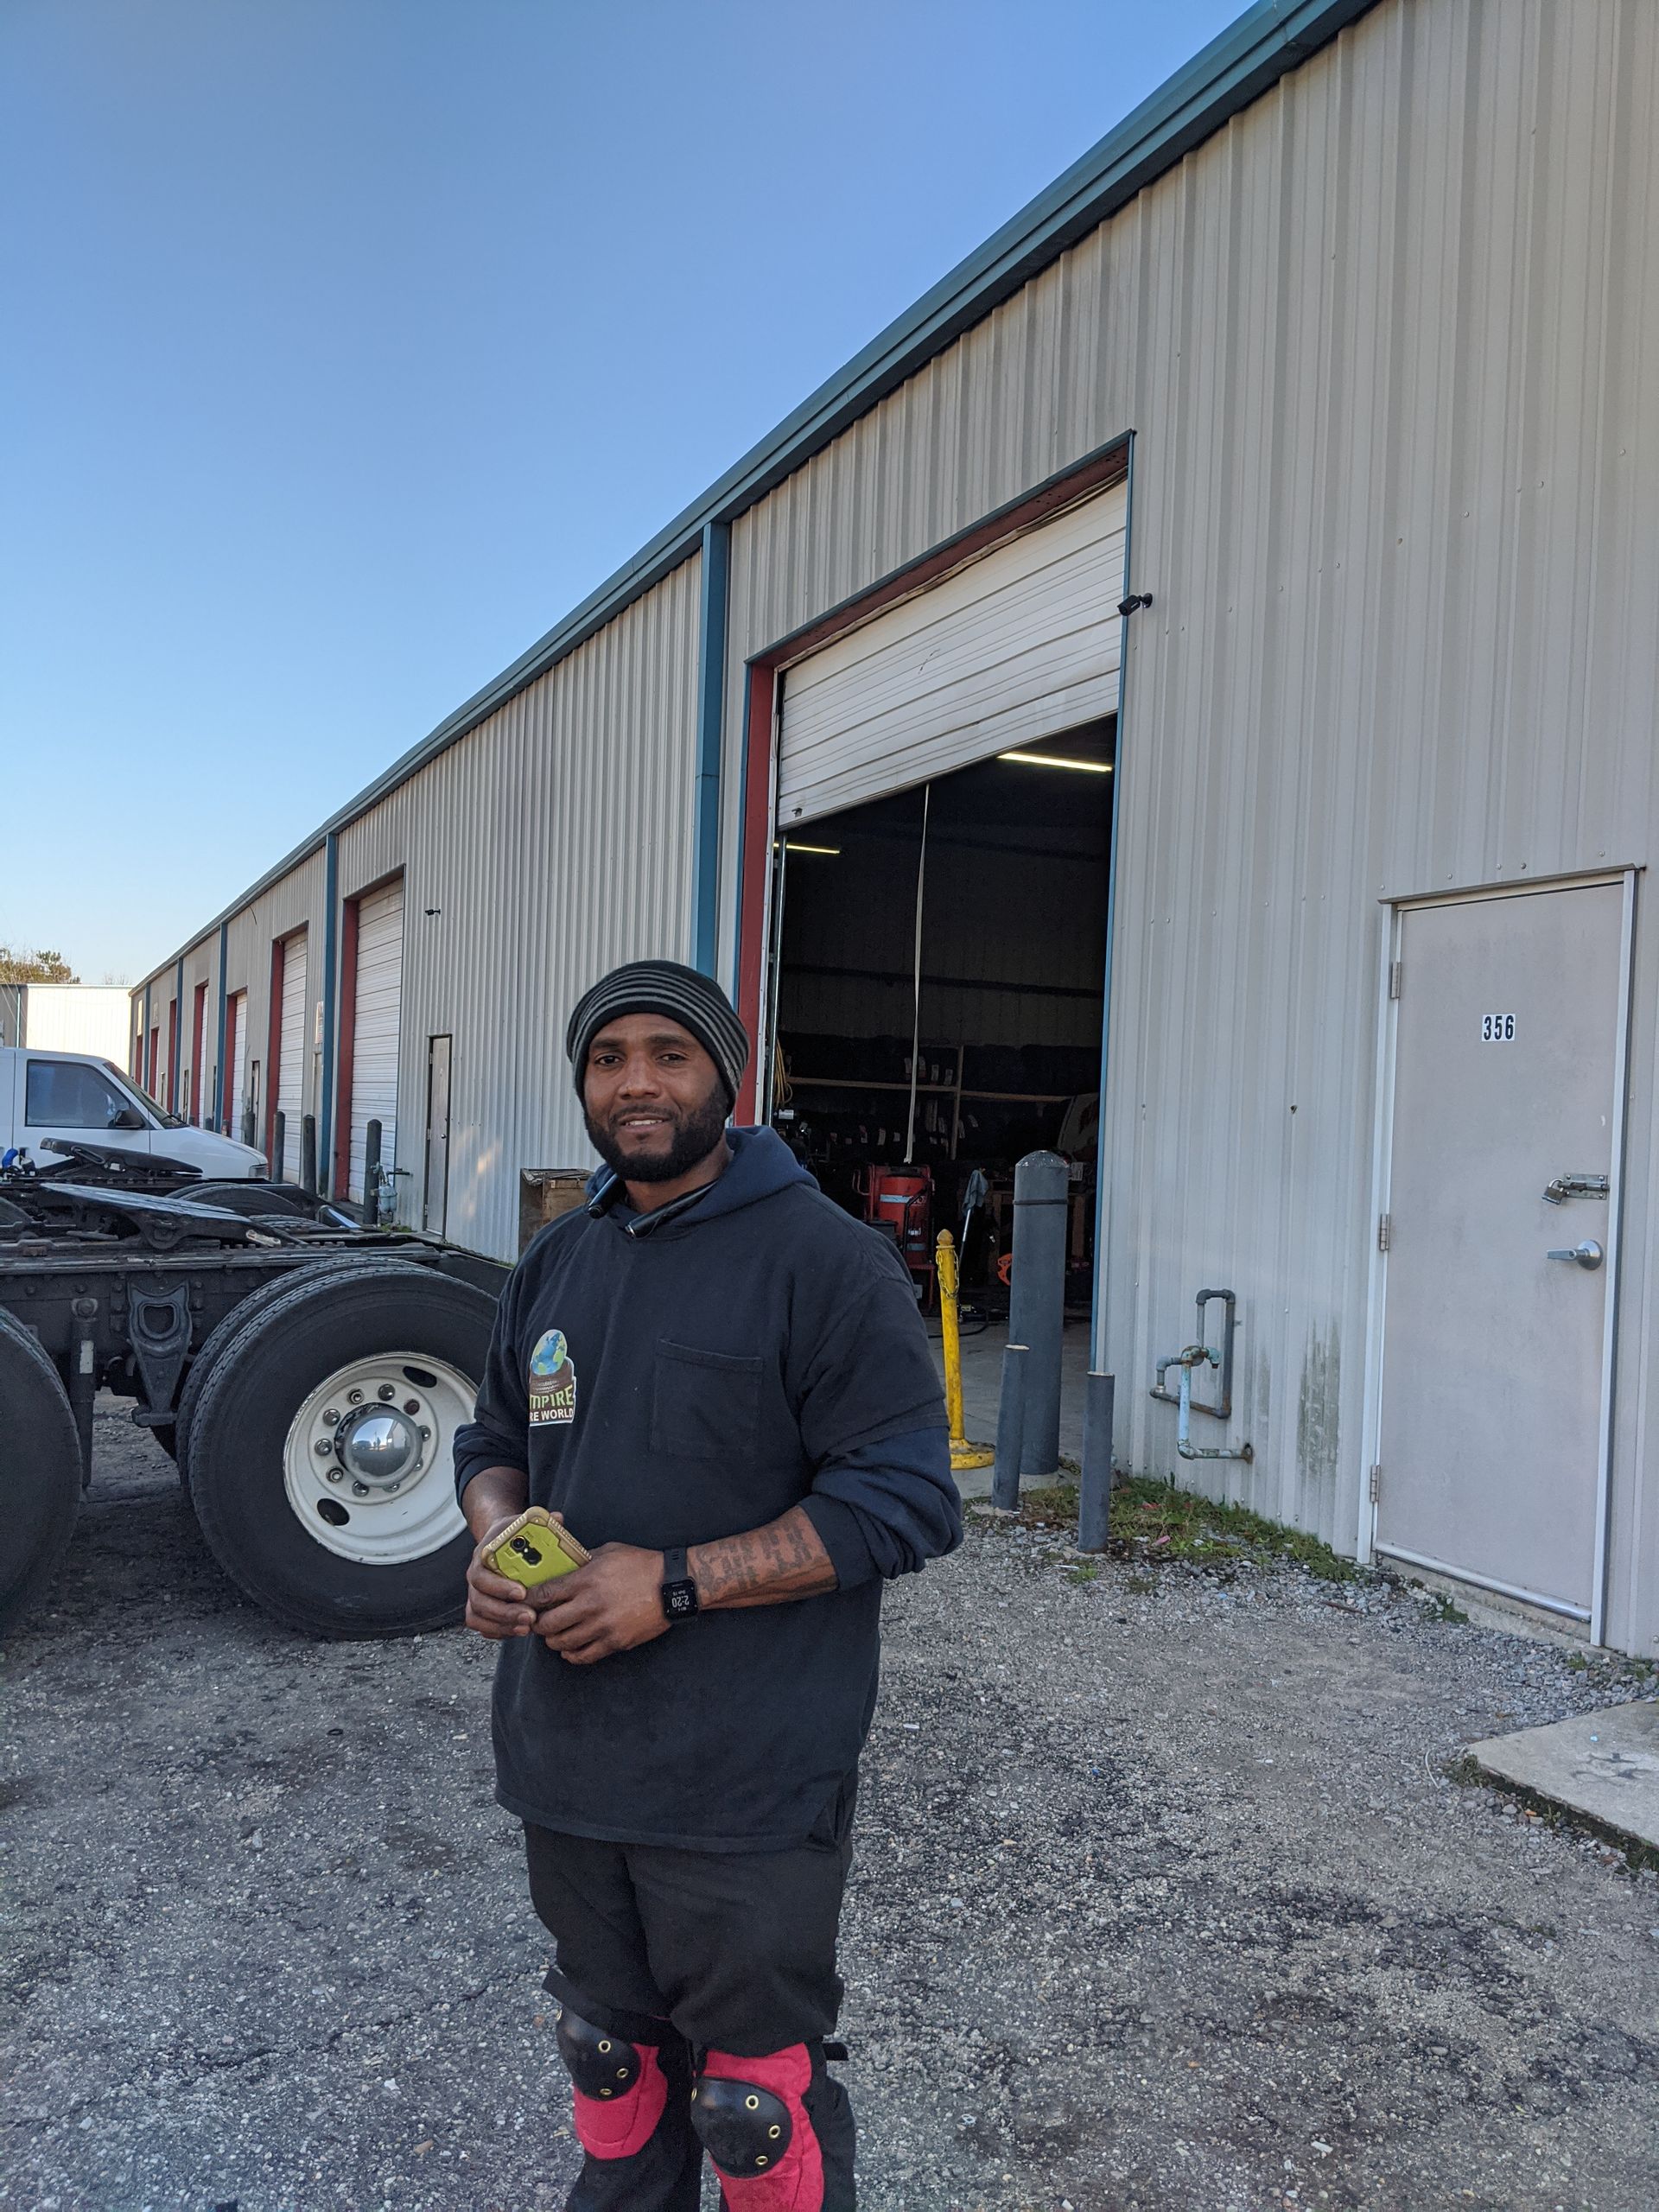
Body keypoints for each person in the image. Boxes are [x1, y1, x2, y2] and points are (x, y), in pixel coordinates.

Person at [453, 958, 962, 2212]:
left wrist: (671, 1584)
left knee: (751, 2100)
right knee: (610, 2057)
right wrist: (495, 1536)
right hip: (566, 1759)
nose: (635, 1081)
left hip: (745, 1781)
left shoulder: (826, 1264)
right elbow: (492, 1442)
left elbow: (905, 1500)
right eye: (608, 1055)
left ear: (727, 1077)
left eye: (669, 1054)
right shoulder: (556, 1260)